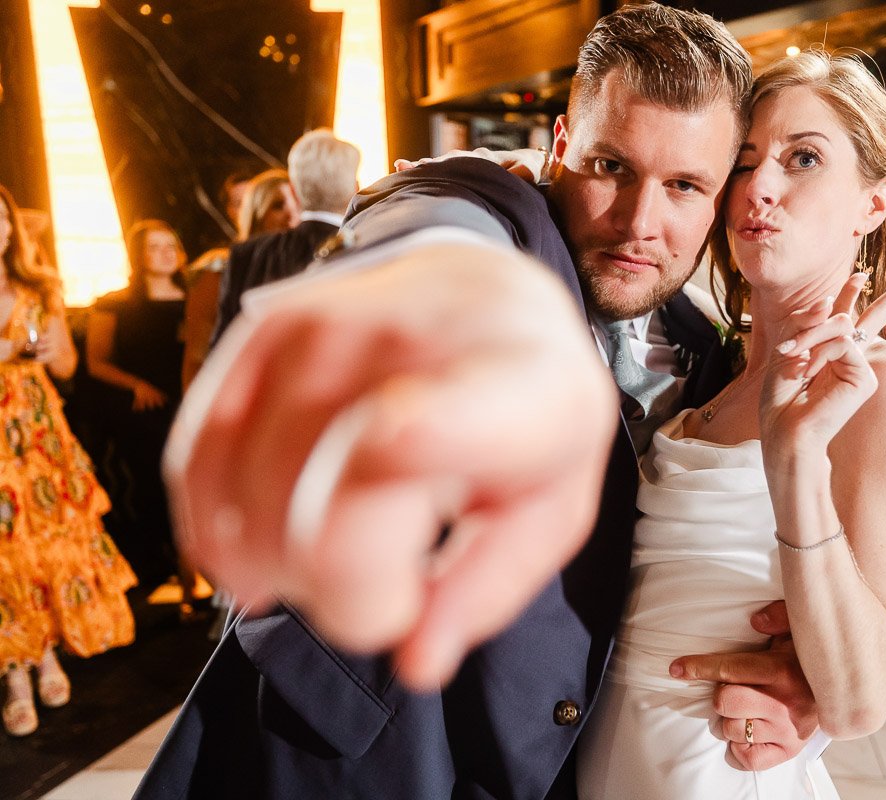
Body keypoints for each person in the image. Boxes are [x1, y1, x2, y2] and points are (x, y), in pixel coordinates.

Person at [135, 7, 822, 799]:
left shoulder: (705, 349)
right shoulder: (490, 216)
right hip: (347, 756)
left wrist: (798, 682)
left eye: (683, 186)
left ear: (721, 194)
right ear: (559, 147)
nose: (641, 222)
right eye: (609, 168)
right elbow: (438, 217)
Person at [574, 51, 886, 798]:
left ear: (876, 202)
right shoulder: (710, 368)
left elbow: (862, 699)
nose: (760, 188)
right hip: (604, 753)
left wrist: (798, 457)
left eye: (803, 158)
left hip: (717, 770)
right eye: (742, 163)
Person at [0, 185, 136, 736]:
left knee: (49, 541)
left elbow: (67, 366)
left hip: (37, 435)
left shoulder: (39, 285)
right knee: (6, 550)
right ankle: (13, 669)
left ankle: (48, 653)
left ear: (12, 228)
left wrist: (50, 349)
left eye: (0, 219)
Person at [86, 221, 187, 597]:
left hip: (189, 402)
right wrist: (137, 385)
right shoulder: (113, 303)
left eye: (170, 244)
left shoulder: (196, 296)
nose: (164, 252)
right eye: (154, 246)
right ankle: (161, 566)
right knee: (152, 483)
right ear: (137, 255)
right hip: (142, 406)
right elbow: (97, 362)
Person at [210, 129, 360, 345]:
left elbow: (222, 351)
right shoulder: (371, 247)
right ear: (356, 188)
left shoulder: (246, 255)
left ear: (294, 191)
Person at [182, 168, 296, 391]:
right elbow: (196, 361)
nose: (292, 215)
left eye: (299, 203)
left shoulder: (314, 266)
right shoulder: (218, 271)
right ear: (256, 214)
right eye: (278, 206)